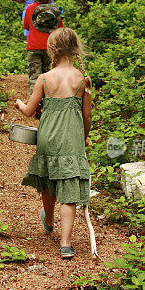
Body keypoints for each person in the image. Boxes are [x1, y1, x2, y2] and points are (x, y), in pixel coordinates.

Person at [14, 28, 92, 260]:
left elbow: (29, 111)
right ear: (75, 49)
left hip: (48, 136)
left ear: (51, 50)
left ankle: (48, 221)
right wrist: (84, 137)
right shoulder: (83, 79)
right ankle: (66, 244)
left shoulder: (44, 78)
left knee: (48, 177)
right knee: (68, 186)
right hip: (71, 138)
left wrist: (19, 104)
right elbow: (87, 117)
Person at [24, 0, 63, 94]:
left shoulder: (30, 8)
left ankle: (34, 103)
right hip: (49, 47)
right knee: (47, 75)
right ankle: (46, 101)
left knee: (34, 76)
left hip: (33, 47)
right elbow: (60, 29)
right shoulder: (55, 11)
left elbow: (26, 26)